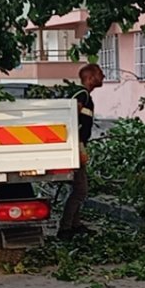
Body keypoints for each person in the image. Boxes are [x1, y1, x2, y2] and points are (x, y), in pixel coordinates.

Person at [59, 63, 105, 239]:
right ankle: (65, 229)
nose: (103, 77)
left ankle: (75, 225)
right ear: (90, 78)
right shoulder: (82, 94)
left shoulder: (83, 95)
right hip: (75, 146)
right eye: (100, 74)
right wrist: (78, 147)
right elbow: (71, 118)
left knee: (78, 188)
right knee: (80, 190)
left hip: (75, 145)